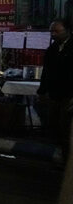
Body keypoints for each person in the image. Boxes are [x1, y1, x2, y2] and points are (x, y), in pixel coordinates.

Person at [38, 17, 73, 161]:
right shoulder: (52, 49)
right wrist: (42, 91)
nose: (53, 34)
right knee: (55, 126)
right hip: (54, 94)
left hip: (68, 95)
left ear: (67, 30)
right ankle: (62, 157)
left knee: (66, 128)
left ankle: (67, 161)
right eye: (51, 31)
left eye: (56, 31)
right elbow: (46, 72)